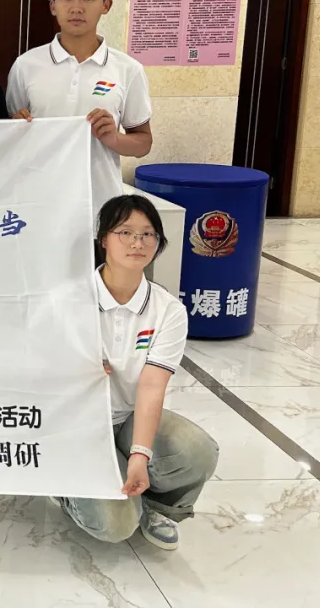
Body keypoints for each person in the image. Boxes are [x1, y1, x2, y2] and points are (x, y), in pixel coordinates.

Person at [57, 194, 219, 550]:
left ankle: (161, 508)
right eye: (125, 232)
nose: (137, 242)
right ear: (103, 239)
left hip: (128, 418)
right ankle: (65, 492)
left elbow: (151, 387)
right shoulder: (68, 299)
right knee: (115, 527)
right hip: (77, 425)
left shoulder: (167, 310)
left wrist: (140, 455)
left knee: (197, 451)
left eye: (148, 234)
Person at [6, 0, 152, 214]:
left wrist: (113, 138)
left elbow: (143, 143)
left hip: (99, 204)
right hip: (37, 202)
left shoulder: (128, 69)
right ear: (53, 5)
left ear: (106, 5)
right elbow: (10, 136)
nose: (76, 8)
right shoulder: (26, 66)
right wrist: (15, 127)